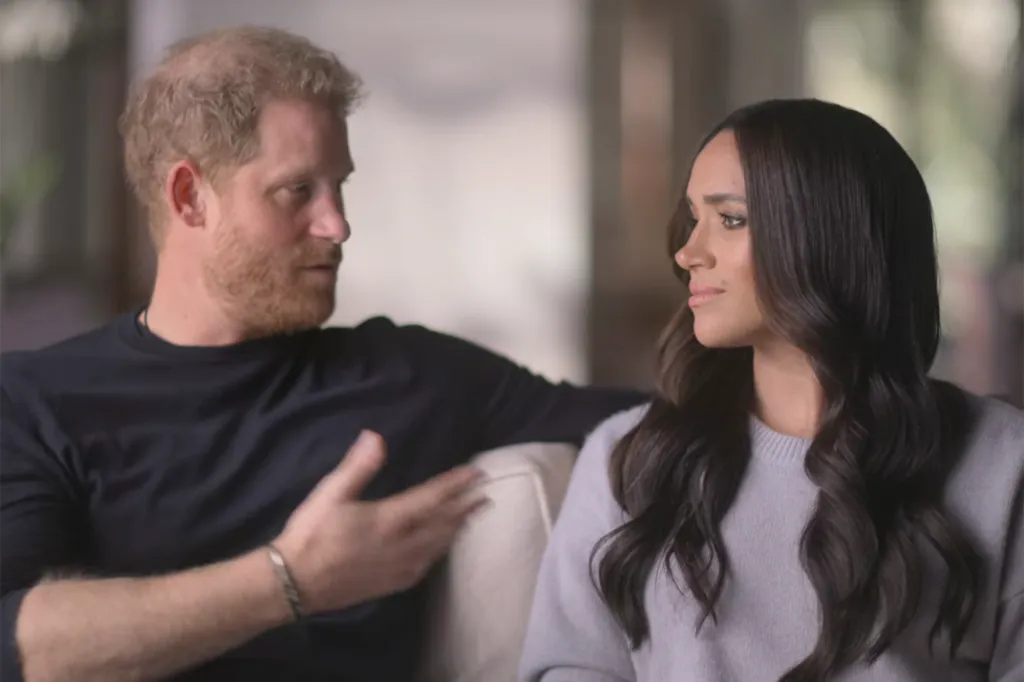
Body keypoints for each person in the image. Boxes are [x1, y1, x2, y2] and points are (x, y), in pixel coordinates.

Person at [0, 26, 646, 682]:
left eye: (339, 187)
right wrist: (290, 580)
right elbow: (18, 646)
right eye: (297, 191)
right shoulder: (34, 401)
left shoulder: (408, 373)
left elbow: (659, 428)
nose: (337, 225)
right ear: (189, 197)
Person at [518, 99, 1024, 682]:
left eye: (730, 219)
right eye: (692, 218)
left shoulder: (1004, 463)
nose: (688, 254)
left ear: (830, 237)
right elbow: (573, 668)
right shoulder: (626, 456)